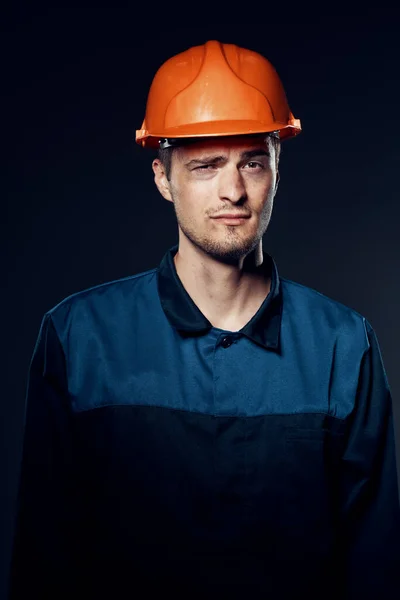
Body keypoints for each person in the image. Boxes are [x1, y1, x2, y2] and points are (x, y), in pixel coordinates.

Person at [8, 39, 400, 599]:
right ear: (163, 178)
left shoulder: (344, 345)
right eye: (207, 165)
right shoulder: (78, 339)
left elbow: (377, 567)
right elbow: (43, 563)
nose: (233, 191)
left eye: (252, 162)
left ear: (277, 168)